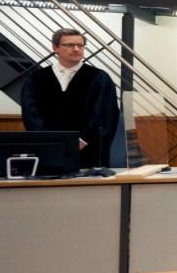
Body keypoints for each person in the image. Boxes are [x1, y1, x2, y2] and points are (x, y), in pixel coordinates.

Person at [19, 28, 120, 168]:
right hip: (48, 149)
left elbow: (105, 113)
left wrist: (83, 140)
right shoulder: (37, 78)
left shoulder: (99, 77)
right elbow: (31, 113)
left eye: (80, 45)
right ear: (55, 47)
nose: (76, 49)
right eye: (69, 45)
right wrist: (48, 140)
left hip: (89, 150)